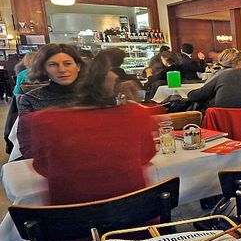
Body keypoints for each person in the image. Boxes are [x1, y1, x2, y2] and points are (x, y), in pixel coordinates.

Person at [26, 49, 158, 206]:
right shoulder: (136, 114)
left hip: (70, 222)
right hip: (138, 218)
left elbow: (42, 167)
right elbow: (146, 156)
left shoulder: (43, 120)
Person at [16, 44, 83, 158]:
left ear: (78, 66)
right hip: (50, 161)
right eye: (53, 65)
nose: (62, 70)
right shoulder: (30, 99)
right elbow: (27, 143)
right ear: (44, 70)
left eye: (67, 63)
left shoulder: (95, 95)